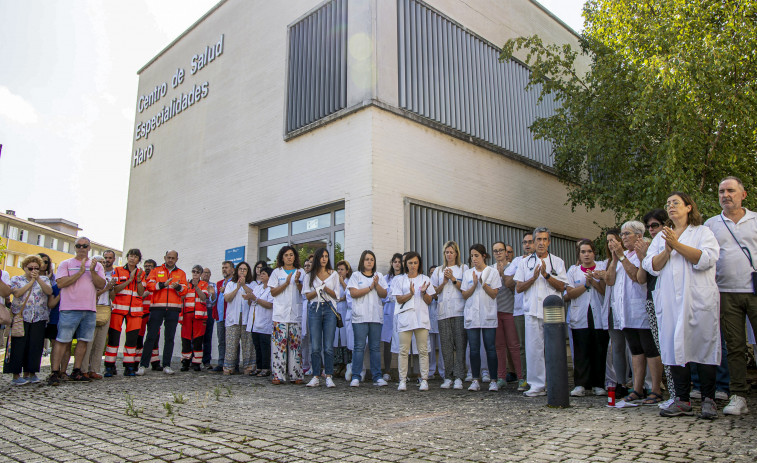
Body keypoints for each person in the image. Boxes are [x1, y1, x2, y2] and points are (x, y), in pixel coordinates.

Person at [643, 192, 721, 419]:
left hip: (697, 299)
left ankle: (708, 399)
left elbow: (705, 258)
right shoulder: (660, 237)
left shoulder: (703, 232)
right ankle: (682, 400)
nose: (671, 206)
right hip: (670, 301)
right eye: (668, 204)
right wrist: (667, 249)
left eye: (675, 203)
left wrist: (676, 245)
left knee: (703, 345)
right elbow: (652, 265)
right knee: (674, 347)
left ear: (688, 207)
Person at [704, 176, 757, 415]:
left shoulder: (756, 220)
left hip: (754, 291)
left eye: (731, 191)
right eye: (721, 191)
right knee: (735, 347)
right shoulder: (711, 224)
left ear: (743, 194)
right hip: (725, 292)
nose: (726, 195)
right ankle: (738, 396)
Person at [607, 221, 663, 405]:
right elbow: (612, 280)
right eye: (622, 234)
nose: (623, 238)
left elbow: (637, 277)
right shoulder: (625, 254)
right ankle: (637, 389)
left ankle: (655, 388)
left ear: (639, 235)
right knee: (636, 350)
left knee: (650, 349)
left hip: (641, 308)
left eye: (627, 234)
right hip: (627, 311)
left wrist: (622, 257)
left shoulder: (643, 251)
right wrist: (617, 258)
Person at [515, 227, 567, 397]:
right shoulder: (524, 262)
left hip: (552, 314)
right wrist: (533, 278)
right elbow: (519, 287)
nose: (541, 243)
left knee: (553, 349)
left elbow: (562, 286)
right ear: (534, 241)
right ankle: (536, 385)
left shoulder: (557, 262)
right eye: (538, 239)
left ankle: (555, 383)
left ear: (549, 242)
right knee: (533, 349)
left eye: (545, 239)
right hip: (531, 311)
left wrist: (546, 275)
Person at [49, 237, 106, 385]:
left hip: (89, 309)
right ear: (75, 247)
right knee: (62, 340)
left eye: (84, 246)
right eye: (78, 246)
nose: (81, 248)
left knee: (84, 341)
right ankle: (55, 372)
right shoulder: (66, 263)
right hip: (69, 308)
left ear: (89, 248)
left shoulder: (97, 265)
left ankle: (77, 370)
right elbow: (61, 283)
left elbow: (101, 284)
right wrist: (80, 272)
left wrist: (91, 271)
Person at [636, 209, 678, 404]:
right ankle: (672, 390)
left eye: (656, 225)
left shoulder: (669, 242)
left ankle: (678, 392)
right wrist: (643, 257)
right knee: (662, 346)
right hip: (653, 298)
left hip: (671, 298)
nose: (652, 230)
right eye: (649, 227)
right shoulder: (650, 247)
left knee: (673, 345)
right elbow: (642, 277)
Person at [565, 239, 608, 396]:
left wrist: (594, 282)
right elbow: (569, 294)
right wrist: (586, 285)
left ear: (594, 253)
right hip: (580, 315)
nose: (586, 254)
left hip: (598, 314)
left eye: (589, 251)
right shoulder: (573, 271)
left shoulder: (602, 268)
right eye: (583, 252)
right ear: (579, 254)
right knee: (581, 350)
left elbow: (605, 291)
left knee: (598, 349)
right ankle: (581, 384)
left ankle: (598, 384)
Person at [138, 250, 188, 375]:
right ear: (164, 258)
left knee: (169, 338)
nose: (170, 260)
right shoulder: (156, 270)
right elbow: (149, 285)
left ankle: (167, 365)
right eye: (168, 257)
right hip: (157, 308)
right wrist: (162, 284)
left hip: (173, 309)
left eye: (173, 258)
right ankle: (143, 365)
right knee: (151, 336)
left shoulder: (181, 273)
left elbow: (185, 290)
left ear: (176, 259)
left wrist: (178, 287)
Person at [392, 251, 436, 391]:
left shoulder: (425, 279)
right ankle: (402, 380)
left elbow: (429, 301)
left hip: (421, 319)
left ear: (419, 264)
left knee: (423, 350)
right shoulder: (399, 280)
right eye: (410, 263)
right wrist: (410, 294)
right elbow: (398, 299)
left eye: (415, 263)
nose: (413, 266)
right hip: (405, 318)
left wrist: (423, 292)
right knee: (403, 351)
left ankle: (424, 379)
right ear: (406, 264)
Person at [461, 244, 502, 392]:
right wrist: (473, 285)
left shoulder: (492, 272)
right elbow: (464, 295)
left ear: (484, 256)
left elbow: (494, 294)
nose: (474, 259)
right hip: (472, 316)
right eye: (472, 256)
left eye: (476, 255)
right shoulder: (467, 274)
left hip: (488, 315)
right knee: (474, 349)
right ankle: (475, 380)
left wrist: (483, 284)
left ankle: (493, 380)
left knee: (490, 348)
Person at [7, 255, 52, 385]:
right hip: (21, 317)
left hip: (39, 317)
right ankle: (16, 375)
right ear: (24, 267)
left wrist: (38, 279)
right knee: (18, 346)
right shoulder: (16, 279)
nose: (33, 270)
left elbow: (48, 291)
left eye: (36, 268)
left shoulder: (44, 279)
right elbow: (17, 293)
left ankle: (31, 373)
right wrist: (31, 282)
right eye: (30, 268)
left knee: (35, 346)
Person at [348, 250, 389, 387]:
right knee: (359, 347)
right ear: (362, 261)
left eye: (372, 259)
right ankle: (356, 376)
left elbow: (384, 294)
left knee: (375, 347)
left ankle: (377, 376)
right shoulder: (356, 275)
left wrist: (376, 284)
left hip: (375, 316)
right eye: (367, 259)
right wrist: (371, 286)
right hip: (360, 316)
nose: (369, 262)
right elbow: (354, 293)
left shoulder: (379, 276)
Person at [431, 241, 467, 390]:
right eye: (447, 252)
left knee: (459, 345)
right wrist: (444, 282)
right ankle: (448, 376)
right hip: (443, 312)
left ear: (456, 253)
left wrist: (452, 279)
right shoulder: (438, 271)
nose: (449, 255)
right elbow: (433, 293)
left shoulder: (463, 268)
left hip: (459, 311)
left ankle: (459, 376)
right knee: (446, 346)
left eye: (451, 252)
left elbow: (465, 289)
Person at [105, 249, 146, 377]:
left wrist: (138, 280)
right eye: (130, 256)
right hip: (118, 310)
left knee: (132, 340)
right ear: (127, 257)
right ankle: (109, 366)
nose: (132, 259)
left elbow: (141, 292)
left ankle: (129, 366)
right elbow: (114, 290)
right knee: (113, 339)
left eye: (135, 257)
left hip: (135, 311)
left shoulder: (142, 273)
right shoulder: (117, 270)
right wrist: (129, 280)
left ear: (139, 259)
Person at [302, 248, 340, 387]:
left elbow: (337, 295)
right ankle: (316, 376)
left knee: (328, 346)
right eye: (322, 256)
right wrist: (318, 290)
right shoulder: (309, 276)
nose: (324, 259)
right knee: (315, 345)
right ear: (317, 258)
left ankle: (329, 375)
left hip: (329, 308)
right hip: (315, 308)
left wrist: (326, 289)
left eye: (326, 256)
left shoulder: (333, 274)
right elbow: (307, 296)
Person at [268, 246, 304, 384]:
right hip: (280, 315)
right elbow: (273, 292)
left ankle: (296, 375)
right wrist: (286, 283)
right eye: (286, 255)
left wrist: (296, 282)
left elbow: (304, 291)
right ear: (282, 257)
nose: (289, 257)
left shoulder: (301, 273)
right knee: (279, 346)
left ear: (295, 256)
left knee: (295, 346)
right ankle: (278, 375)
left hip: (295, 314)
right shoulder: (277, 272)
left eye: (291, 254)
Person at [602, 228, 630, 397]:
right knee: (617, 347)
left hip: (629, 308)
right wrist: (613, 260)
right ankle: (621, 382)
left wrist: (620, 256)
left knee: (634, 348)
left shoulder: (631, 256)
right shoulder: (609, 261)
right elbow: (610, 281)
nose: (611, 243)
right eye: (608, 241)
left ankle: (643, 383)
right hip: (613, 309)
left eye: (613, 240)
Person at [504, 233, 534, 391]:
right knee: (522, 346)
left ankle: (541, 378)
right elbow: (508, 281)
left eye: (530, 242)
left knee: (537, 345)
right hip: (520, 309)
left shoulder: (543, 260)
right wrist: (521, 276)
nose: (527, 245)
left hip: (536, 308)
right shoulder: (517, 261)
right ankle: (524, 378)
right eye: (524, 242)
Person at [492, 241, 522, 389]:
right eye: (495, 251)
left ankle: (521, 376)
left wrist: (503, 274)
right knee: (499, 346)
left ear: (506, 252)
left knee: (514, 346)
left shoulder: (513, 267)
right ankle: (501, 377)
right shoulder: (490, 269)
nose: (498, 253)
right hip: (496, 312)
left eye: (501, 250)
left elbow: (513, 288)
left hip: (510, 311)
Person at [82, 251, 117, 379]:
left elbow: (112, 297)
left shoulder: (108, 277)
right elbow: (91, 295)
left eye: (104, 262)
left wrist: (111, 288)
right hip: (92, 310)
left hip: (106, 310)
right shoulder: (88, 277)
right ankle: (83, 369)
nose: (103, 264)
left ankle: (94, 369)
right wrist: (107, 288)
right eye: (100, 262)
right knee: (88, 342)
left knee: (100, 343)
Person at [223, 261, 255, 375]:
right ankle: (229, 367)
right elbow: (227, 298)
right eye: (240, 269)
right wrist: (237, 288)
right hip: (233, 318)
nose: (242, 271)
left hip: (247, 318)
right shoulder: (230, 284)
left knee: (248, 344)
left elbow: (253, 296)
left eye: (245, 269)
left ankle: (248, 367)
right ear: (237, 271)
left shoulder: (252, 283)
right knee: (231, 343)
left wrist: (244, 285)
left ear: (248, 271)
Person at [246, 267, 274, 377]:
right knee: (257, 345)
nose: (261, 275)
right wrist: (249, 297)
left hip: (265, 322)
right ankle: (259, 367)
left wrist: (255, 299)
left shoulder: (271, 289)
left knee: (264, 346)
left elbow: (270, 304)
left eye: (264, 274)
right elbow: (251, 301)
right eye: (260, 274)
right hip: (255, 321)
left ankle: (266, 368)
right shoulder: (258, 288)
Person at [181, 265, 209, 372]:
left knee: (198, 340)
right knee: (186, 340)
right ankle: (185, 362)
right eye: (193, 271)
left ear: (201, 274)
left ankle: (196, 362)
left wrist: (196, 287)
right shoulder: (186, 284)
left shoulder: (204, 284)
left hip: (199, 316)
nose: (195, 273)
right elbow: (181, 297)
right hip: (187, 316)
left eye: (198, 272)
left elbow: (203, 297)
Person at [381, 253, 404, 381]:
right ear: (391, 263)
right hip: (389, 312)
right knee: (387, 343)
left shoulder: (405, 277)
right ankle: (387, 371)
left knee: (403, 342)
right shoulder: (386, 278)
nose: (397, 264)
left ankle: (403, 372)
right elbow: (383, 296)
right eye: (394, 261)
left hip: (400, 311)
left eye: (399, 261)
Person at [136, 259, 160, 370]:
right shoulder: (140, 279)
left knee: (154, 338)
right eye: (146, 265)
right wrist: (142, 295)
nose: (147, 267)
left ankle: (155, 362)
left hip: (154, 312)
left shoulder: (156, 279)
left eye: (150, 266)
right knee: (139, 337)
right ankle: (136, 361)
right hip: (141, 312)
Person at [212, 261, 234, 372]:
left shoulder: (234, 282)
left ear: (232, 270)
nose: (224, 270)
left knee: (232, 342)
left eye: (226, 268)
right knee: (221, 341)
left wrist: (227, 290)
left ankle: (232, 364)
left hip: (229, 316)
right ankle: (221, 363)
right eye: (223, 268)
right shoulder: (219, 283)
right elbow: (214, 299)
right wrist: (211, 294)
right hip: (220, 316)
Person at [336, 260, 356, 380]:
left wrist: (342, 282)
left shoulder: (349, 281)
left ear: (347, 271)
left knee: (346, 340)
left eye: (342, 269)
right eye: (338, 269)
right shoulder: (334, 282)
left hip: (346, 312)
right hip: (337, 311)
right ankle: (339, 365)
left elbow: (348, 294)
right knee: (337, 340)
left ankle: (347, 365)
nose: (340, 272)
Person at [201, 267, 216, 369]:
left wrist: (212, 293)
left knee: (207, 336)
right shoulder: (197, 284)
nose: (206, 274)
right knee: (196, 337)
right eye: (204, 272)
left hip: (209, 311)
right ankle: (194, 360)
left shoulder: (213, 285)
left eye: (208, 273)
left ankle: (206, 361)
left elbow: (214, 300)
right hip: (198, 311)